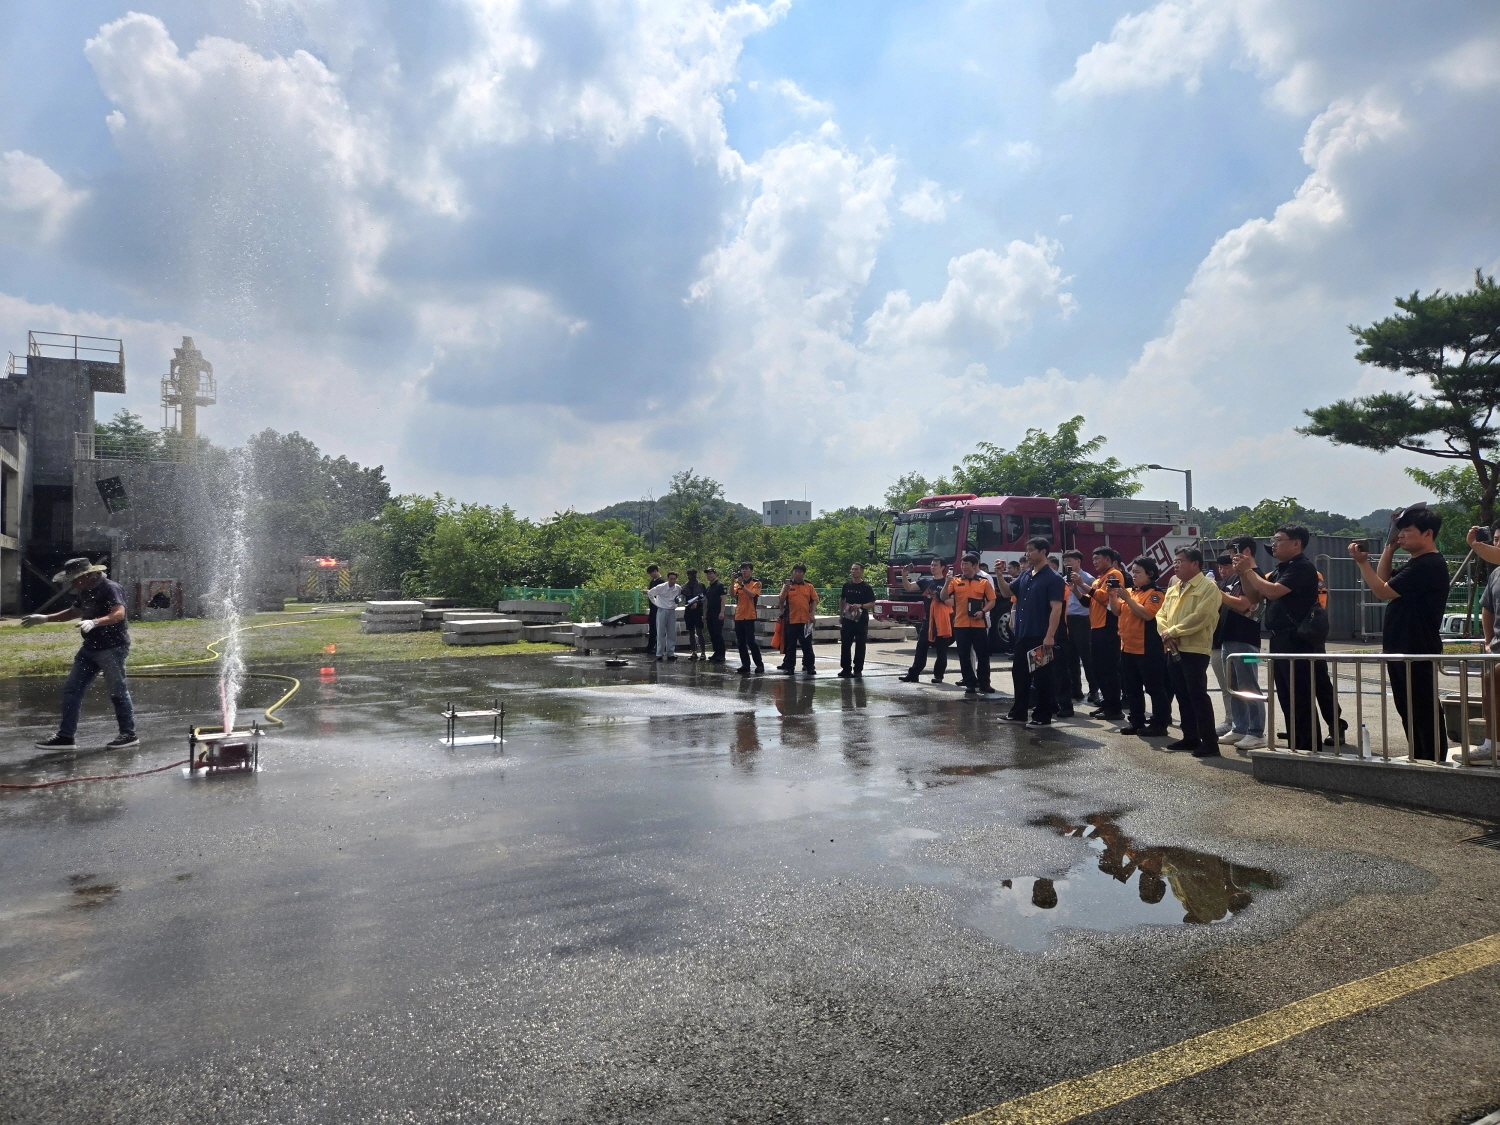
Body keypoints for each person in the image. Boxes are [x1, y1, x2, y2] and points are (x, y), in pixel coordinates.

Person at [1350, 506, 1451, 761]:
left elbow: (1381, 592)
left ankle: (1432, 757)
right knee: (1408, 706)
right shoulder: (1417, 562)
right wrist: (1389, 547)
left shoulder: (1428, 564)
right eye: (1399, 530)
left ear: (1428, 533)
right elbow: (1384, 580)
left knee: (1422, 706)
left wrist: (1363, 563)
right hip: (1401, 646)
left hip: (1416, 646)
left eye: (1407, 530)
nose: (1401, 535)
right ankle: (1419, 755)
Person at [23, 557, 139, 749]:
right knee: (71, 690)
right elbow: (73, 612)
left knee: (118, 692)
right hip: (90, 648)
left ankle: (129, 734)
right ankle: (66, 737)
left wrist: (95, 622)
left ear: (89, 574)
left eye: (76, 579)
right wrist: (44, 618)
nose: (73, 583)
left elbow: (119, 614)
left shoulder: (110, 588)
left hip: (112, 648)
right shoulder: (85, 590)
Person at [1234, 526, 1329, 751]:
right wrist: (1243, 573)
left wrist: (1249, 571)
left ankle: (1308, 747)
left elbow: (1273, 592)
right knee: (1287, 696)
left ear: (1296, 543)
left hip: (1297, 640)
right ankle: (1297, 744)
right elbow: (1254, 596)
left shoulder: (1303, 567)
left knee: (1301, 695)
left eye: (1278, 540)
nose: (1273, 544)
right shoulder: (1281, 569)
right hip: (1279, 639)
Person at [1157, 547, 1224, 757]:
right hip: (1173, 647)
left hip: (1194, 648)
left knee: (1197, 695)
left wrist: (1173, 631)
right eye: (1175, 561)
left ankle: (1210, 742)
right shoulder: (1174, 587)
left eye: (1180, 561)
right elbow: (1161, 614)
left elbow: (1202, 616)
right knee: (1181, 694)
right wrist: (1165, 633)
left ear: (1195, 563)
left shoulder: (1208, 587)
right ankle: (1190, 737)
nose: (1175, 565)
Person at [997, 538, 1065, 725]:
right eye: (1026, 550)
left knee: (1042, 677)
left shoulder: (1053, 578)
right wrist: (999, 575)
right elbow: (1006, 593)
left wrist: (1050, 635)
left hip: (1040, 636)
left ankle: (1043, 716)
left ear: (1043, 552)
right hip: (1023, 634)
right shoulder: (1026, 574)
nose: (1027, 554)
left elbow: (1056, 608)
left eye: (1031, 550)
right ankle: (1018, 713)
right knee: (1019, 674)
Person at [1213, 537, 1267, 750]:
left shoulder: (1256, 574)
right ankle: (1239, 727)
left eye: (1232, 553)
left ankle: (1256, 731)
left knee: (1249, 685)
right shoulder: (1233, 579)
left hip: (1245, 640)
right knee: (1233, 686)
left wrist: (1217, 592)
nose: (1230, 559)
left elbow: (1245, 604)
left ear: (1245, 551)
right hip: (1228, 638)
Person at [1110, 556, 1170, 738]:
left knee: (1154, 688)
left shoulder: (1155, 594)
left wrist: (1127, 598)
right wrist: (1113, 596)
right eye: (1133, 572)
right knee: (1132, 688)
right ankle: (1136, 721)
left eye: (1138, 572)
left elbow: (1146, 615)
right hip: (1127, 648)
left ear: (1150, 574)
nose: (1134, 576)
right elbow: (1116, 611)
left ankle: (1160, 724)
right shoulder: (1131, 592)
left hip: (1148, 649)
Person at [1081, 548, 1127, 719]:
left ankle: (1114, 708)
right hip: (1096, 626)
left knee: (1109, 668)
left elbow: (1105, 598)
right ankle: (1107, 703)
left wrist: (1082, 584)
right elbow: (1089, 601)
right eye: (1092, 559)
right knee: (1098, 668)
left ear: (1108, 559)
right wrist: (1077, 590)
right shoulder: (1098, 579)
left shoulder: (1114, 574)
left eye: (1097, 558)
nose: (1094, 562)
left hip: (1108, 626)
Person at [946, 552, 996, 698]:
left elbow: (992, 600)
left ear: (975, 565)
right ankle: (970, 683)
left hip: (979, 624)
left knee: (983, 655)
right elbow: (944, 597)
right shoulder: (954, 581)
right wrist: (946, 583)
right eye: (962, 564)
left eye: (966, 564)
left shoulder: (984, 581)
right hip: (961, 624)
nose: (963, 567)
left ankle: (984, 683)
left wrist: (983, 611)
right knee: (964, 655)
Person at [898, 557, 954, 683]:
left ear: (942, 567)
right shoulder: (925, 581)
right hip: (928, 619)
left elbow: (954, 601)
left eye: (935, 565)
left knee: (941, 649)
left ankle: (938, 675)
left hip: (943, 619)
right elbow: (909, 587)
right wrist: (904, 576)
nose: (932, 567)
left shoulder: (949, 581)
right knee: (921, 646)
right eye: (932, 565)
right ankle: (914, 674)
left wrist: (939, 598)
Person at [1059, 550, 1095, 704]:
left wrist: (1080, 584)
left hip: (1083, 619)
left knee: (1087, 657)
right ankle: (1076, 690)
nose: (1067, 564)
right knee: (1071, 657)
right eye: (1065, 561)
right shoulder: (1062, 579)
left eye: (1070, 561)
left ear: (1078, 562)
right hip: (1068, 619)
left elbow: (1092, 599)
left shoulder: (1087, 578)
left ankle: (1094, 690)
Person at [777, 563, 819, 675]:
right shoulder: (787, 586)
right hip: (791, 620)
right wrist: (785, 590)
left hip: (805, 620)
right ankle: (790, 667)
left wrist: (812, 613)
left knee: (807, 645)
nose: (798, 574)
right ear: (792, 573)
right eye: (795, 572)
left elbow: (814, 599)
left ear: (803, 574)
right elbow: (781, 600)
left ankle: (810, 666)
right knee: (791, 645)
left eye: (800, 572)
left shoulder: (809, 586)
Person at [838, 562, 876, 678]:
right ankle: (846, 669)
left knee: (860, 645)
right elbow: (842, 599)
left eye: (856, 569)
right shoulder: (847, 585)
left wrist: (861, 605)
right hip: (848, 619)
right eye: (852, 569)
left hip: (861, 620)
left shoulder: (866, 587)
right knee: (845, 644)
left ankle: (858, 669)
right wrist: (841, 614)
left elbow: (872, 603)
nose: (854, 571)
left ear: (862, 571)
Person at [731, 562, 765, 676]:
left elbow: (752, 595)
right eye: (742, 569)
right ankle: (745, 665)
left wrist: (742, 586)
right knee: (740, 642)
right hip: (739, 615)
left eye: (746, 569)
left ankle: (759, 664)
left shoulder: (756, 583)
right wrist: (732, 581)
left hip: (750, 615)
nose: (744, 571)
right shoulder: (738, 583)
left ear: (751, 570)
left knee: (750, 641)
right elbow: (732, 594)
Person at [646, 570, 683, 661]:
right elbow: (650, 593)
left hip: (671, 611)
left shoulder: (678, 588)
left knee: (671, 633)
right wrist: (656, 603)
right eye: (671, 579)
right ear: (667, 579)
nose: (672, 581)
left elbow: (682, 596)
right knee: (661, 632)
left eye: (674, 579)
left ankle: (671, 653)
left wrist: (679, 600)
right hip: (662, 610)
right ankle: (659, 653)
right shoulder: (661, 587)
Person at [680, 568, 706, 660]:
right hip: (688, 611)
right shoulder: (685, 586)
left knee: (699, 631)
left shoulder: (701, 585)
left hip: (698, 611)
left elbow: (704, 598)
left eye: (693, 575)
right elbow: (682, 597)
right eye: (690, 575)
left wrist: (697, 603)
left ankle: (703, 652)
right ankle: (694, 652)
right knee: (691, 632)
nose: (691, 576)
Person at [703, 566, 727, 663]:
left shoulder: (720, 585)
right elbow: (706, 602)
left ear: (715, 574)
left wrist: (722, 612)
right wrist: (704, 614)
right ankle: (716, 652)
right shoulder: (708, 588)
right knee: (712, 634)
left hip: (718, 613)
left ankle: (721, 654)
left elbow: (723, 599)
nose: (709, 575)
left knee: (718, 634)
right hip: (710, 613)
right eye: (708, 574)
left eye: (711, 573)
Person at [642, 564, 664, 655]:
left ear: (655, 571)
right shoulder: (652, 582)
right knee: (652, 628)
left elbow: (659, 593)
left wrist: (649, 592)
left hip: (658, 607)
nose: (650, 575)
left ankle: (657, 646)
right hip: (652, 608)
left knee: (657, 628)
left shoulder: (661, 582)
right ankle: (650, 646)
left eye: (651, 573)